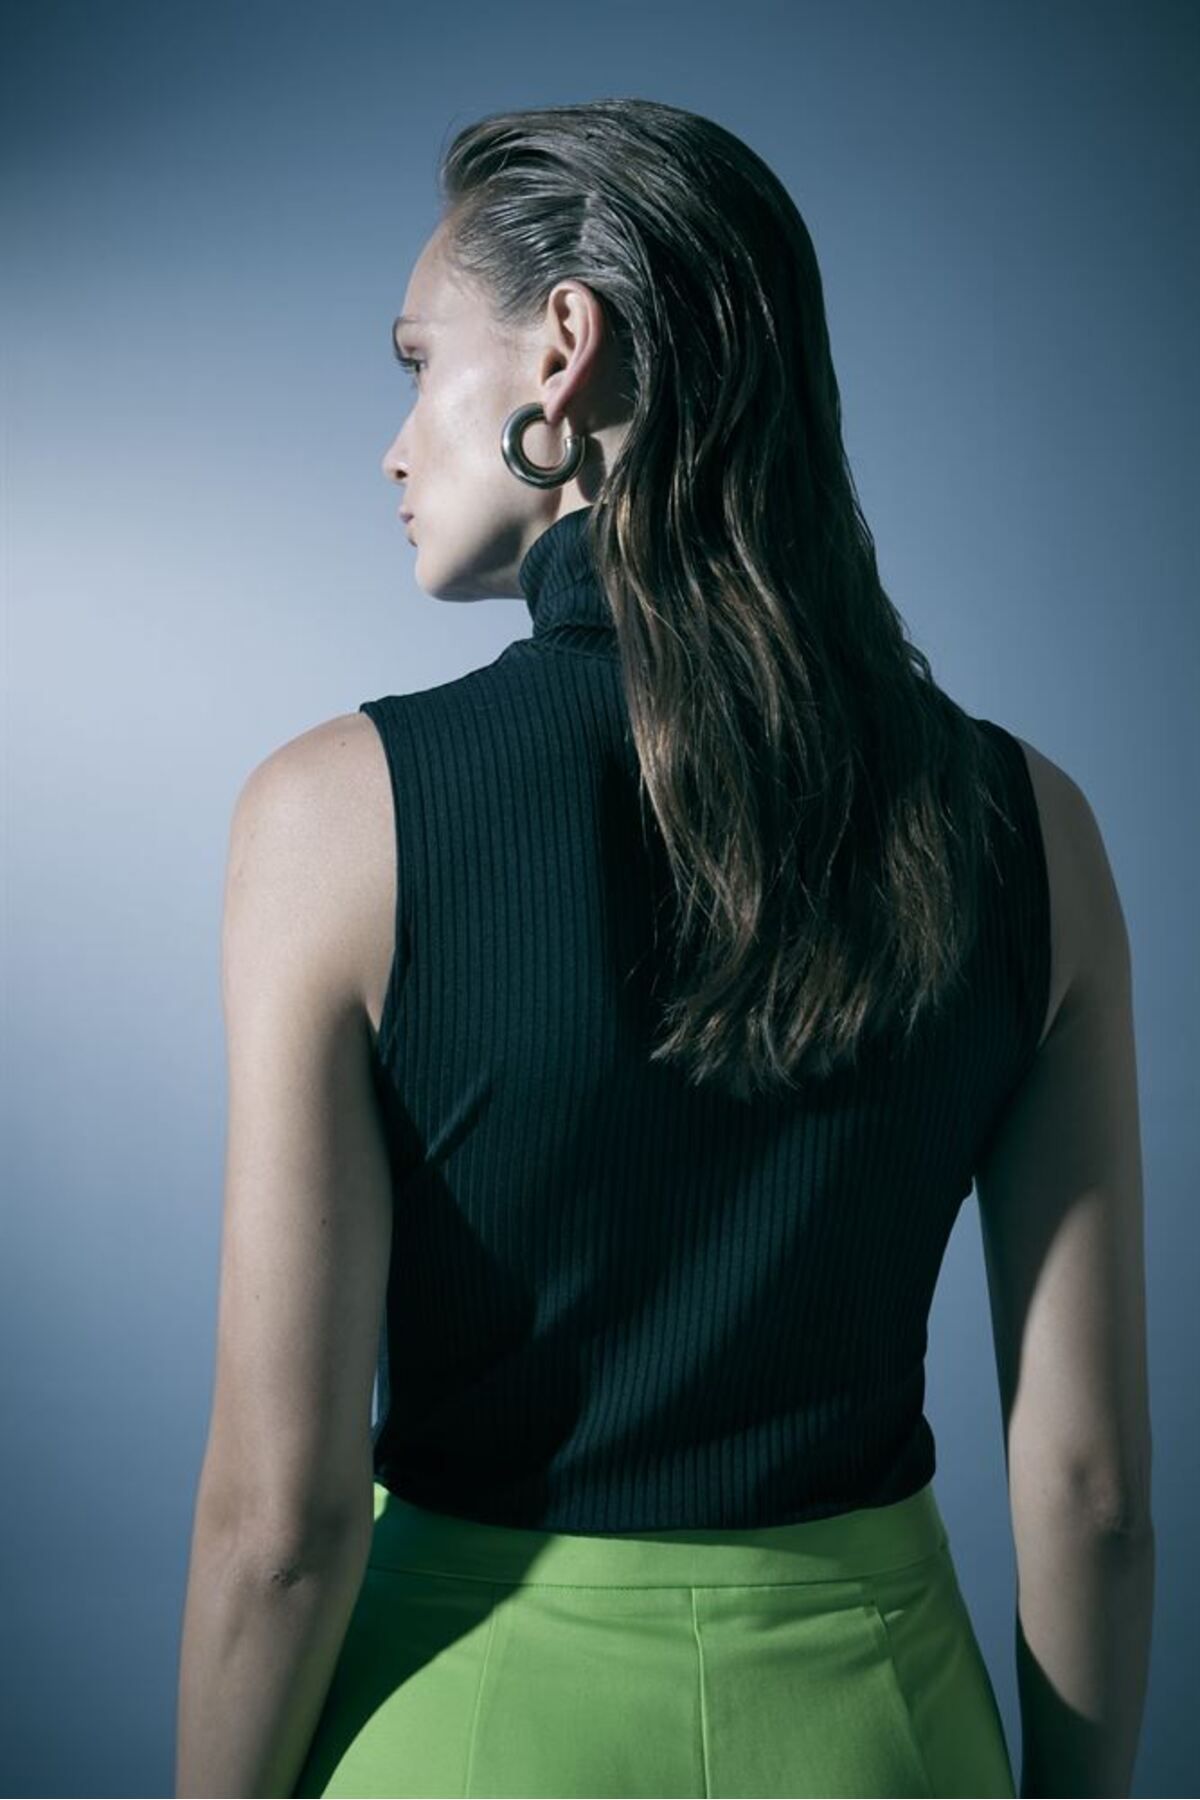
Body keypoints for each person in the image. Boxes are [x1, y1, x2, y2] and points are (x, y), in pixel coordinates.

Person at [174, 98, 1154, 1799]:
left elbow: (278, 1525)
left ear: (563, 351)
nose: (395, 446)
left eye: (419, 362)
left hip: (472, 1732)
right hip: (885, 1734)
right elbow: (1094, 1495)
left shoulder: (333, 820)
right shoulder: (1032, 826)